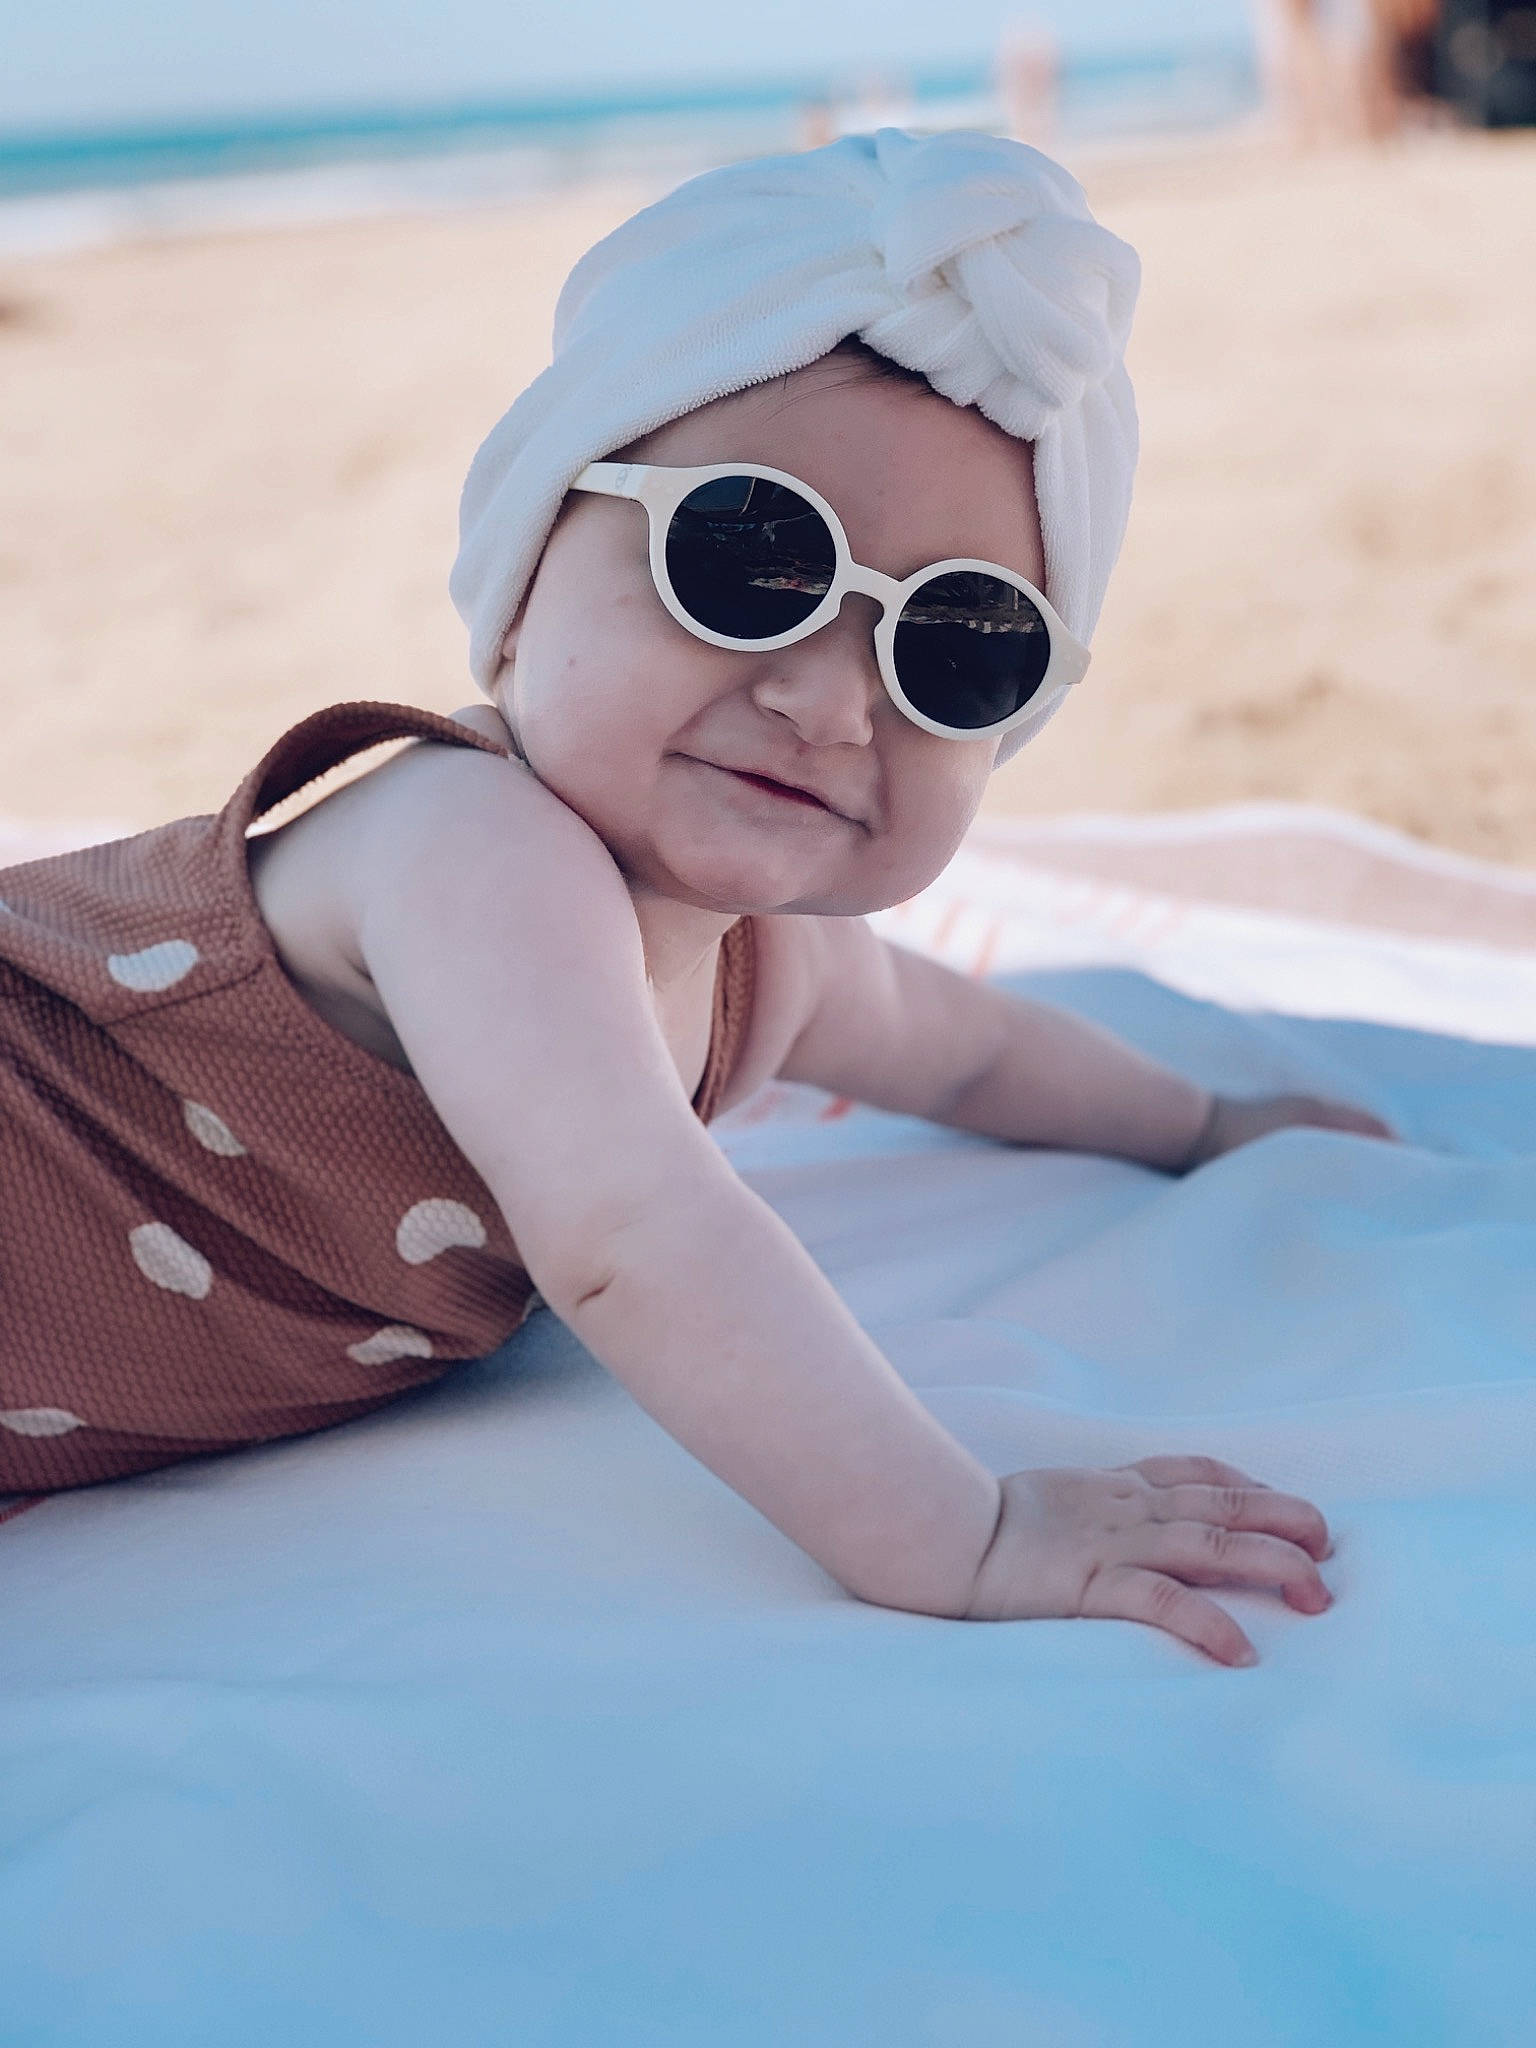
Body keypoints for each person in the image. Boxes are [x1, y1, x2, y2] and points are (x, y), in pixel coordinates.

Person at [0, 130, 1391, 1667]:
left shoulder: (773, 961)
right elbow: (638, 1237)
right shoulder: (470, 844)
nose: (828, 701)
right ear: (523, 580)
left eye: (957, 645)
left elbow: (974, 1054)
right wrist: (961, 1532)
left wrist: (1202, 1126)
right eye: (745, 561)